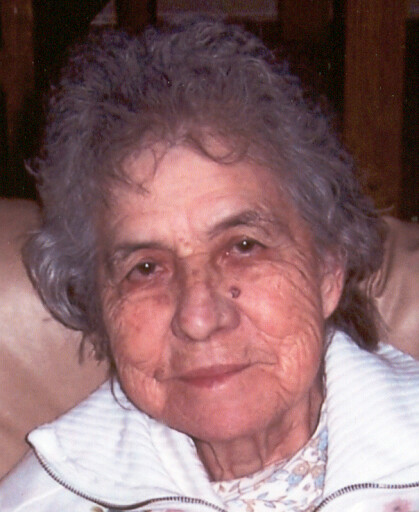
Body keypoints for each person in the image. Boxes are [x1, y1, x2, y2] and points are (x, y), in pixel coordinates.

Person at [1, 18, 418, 512]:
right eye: (145, 269)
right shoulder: (46, 498)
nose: (199, 318)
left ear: (328, 269)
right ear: (100, 307)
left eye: (243, 246)